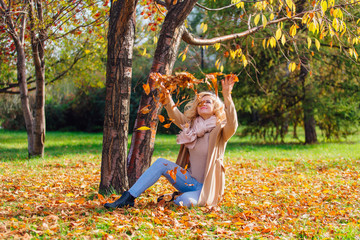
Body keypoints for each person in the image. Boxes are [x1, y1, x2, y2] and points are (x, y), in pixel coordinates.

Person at [104, 75, 238, 208]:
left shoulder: (221, 130)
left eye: (208, 102)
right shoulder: (191, 127)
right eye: (200, 102)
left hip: (207, 189)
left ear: (216, 107)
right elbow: (175, 115)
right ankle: (129, 197)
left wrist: (227, 96)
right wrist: (167, 98)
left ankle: (174, 198)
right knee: (161, 163)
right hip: (189, 181)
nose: (203, 103)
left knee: (184, 201)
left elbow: (233, 124)